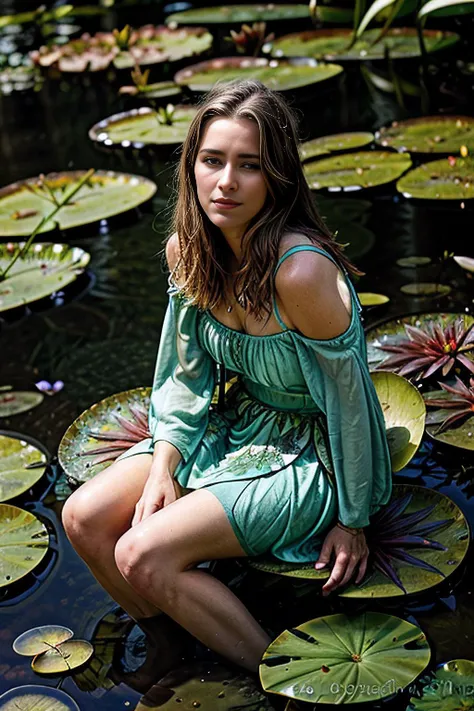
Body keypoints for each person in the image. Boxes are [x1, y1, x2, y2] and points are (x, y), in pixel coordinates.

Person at [62, 79, 392, 691]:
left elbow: (351, 403)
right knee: (83, 516)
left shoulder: (300, 272)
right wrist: (164, 465)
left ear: (278, 179)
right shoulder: (187, 251)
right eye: (212, 161)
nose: (226, 182)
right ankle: (169, 642)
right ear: (191, 167)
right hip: (239, 423)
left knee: (141, 552)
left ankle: (288, 679)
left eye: (249, 166)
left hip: (313, 449)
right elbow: (183, 377)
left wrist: (353, 517)